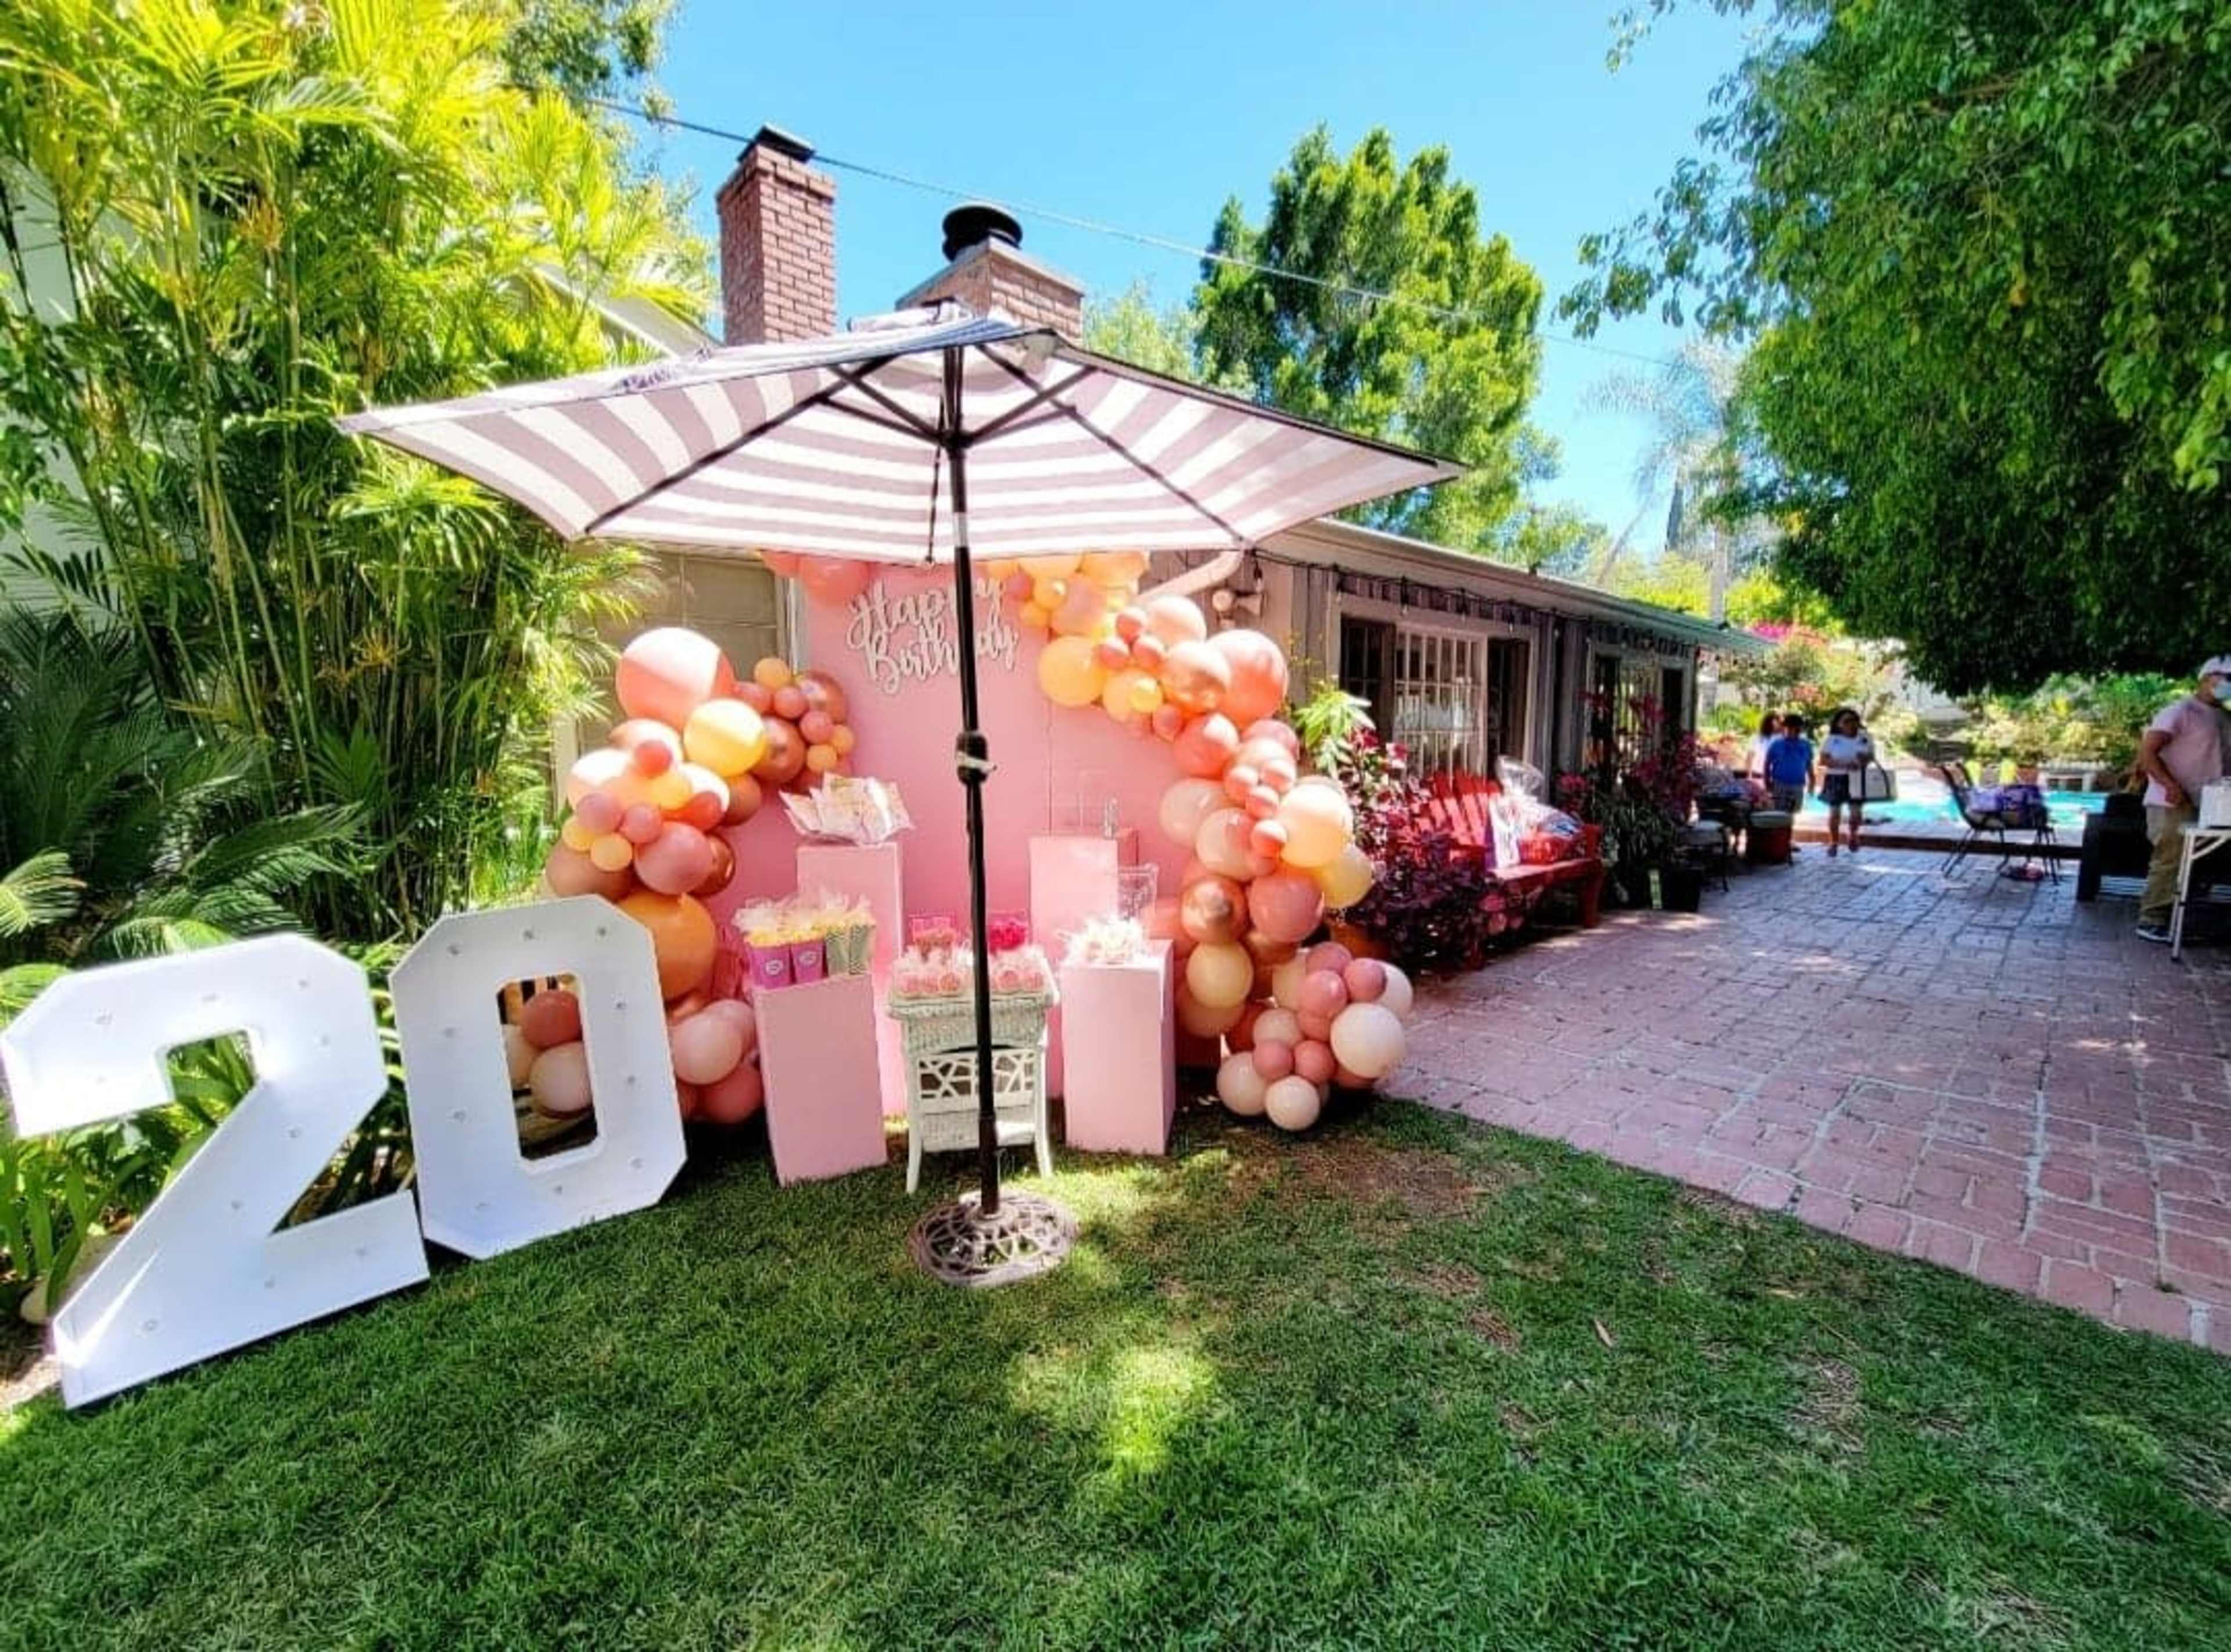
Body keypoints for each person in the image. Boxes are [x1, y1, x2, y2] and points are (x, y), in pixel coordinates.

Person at [2135, 658, 2231, 942]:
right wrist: (2169, 784)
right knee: (2170, 860)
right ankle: (2152, 919)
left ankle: (2179, 919)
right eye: (2226, 677)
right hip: (2172, 802)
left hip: (2212, 805)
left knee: (2199, 863)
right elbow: (2148, 753)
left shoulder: (2225, 718)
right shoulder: (2180, 711)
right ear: (2207, 677)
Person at [1817, 707, 1875, 856]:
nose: (1851, 724)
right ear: (1839, 724)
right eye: (1847, 721)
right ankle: (1834, 842)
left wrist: (1864, 762)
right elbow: (1823, 760)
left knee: (1856, 813)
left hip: (1857, 778)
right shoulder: (1832, 739)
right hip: (1836, 778)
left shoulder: (1865, 737)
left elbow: (1870, 757)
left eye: (1854, 720)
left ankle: (1853, 835)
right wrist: (1843, 765)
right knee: (1835, 813)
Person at [1762, 713, 1814, 815]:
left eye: (1794, 728)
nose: (1791, 730)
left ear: (1800, 729)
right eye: (1788, 727)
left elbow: (1809, 765)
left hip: (1798, 784)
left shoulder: (1806, 745)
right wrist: (1767, 782)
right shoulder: (1777, 744)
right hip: (1780, 784)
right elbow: (1767, 764)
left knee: (1793, 814)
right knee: (1779, 814)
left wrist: (1812, 782)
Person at [1745, 712, 1781, 784]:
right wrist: (1749, 776)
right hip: (1758, 775)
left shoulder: (1782, 739)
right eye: (1776, 721)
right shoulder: (1756, 738)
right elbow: (1750, 757)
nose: (1778, 725)